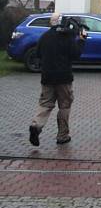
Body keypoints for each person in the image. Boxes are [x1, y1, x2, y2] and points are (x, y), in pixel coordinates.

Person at [29, 14, 86, 147]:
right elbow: (76, 54)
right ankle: (62, 135)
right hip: (64, 78)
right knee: (64, 105)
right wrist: (82, 40)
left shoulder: (44, 36)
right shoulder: (67, 36)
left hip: (47, 77)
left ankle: (36, 125)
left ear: (51, 23)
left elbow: (37, 54)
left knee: (45, 104)